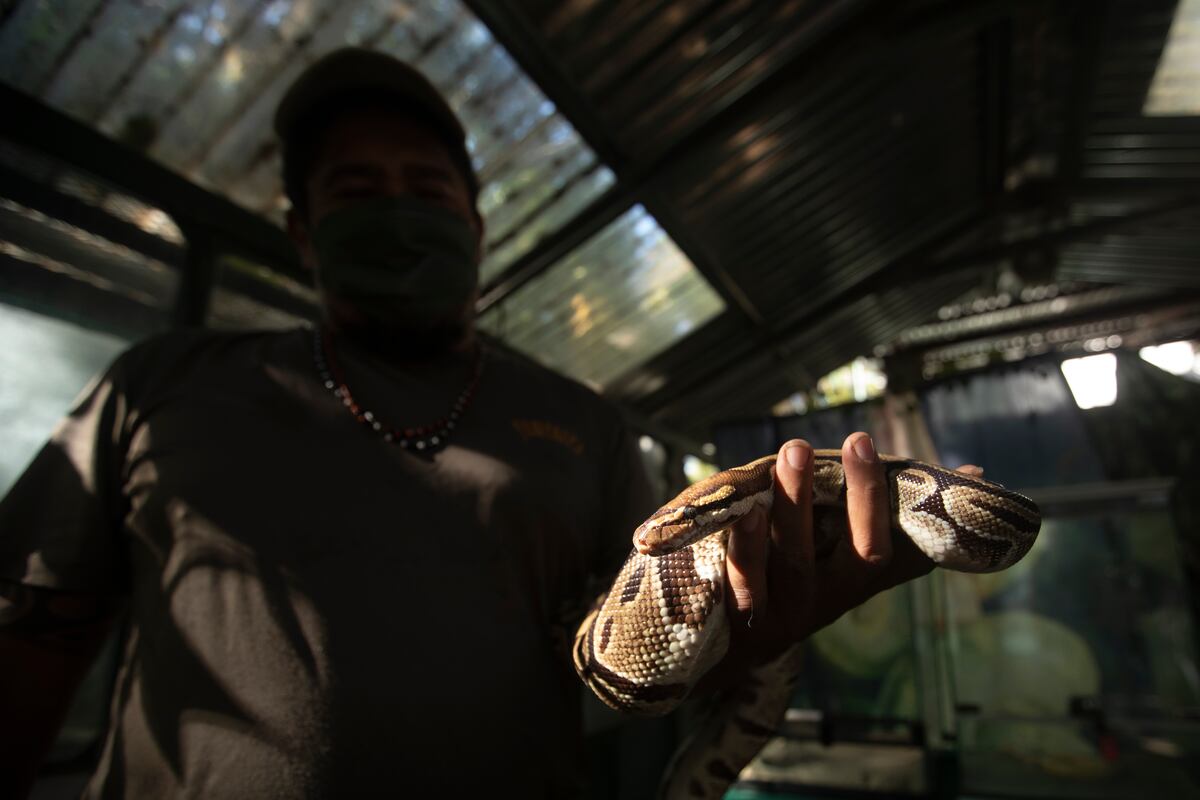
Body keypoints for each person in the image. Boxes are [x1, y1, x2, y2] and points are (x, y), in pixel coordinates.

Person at [0, 48, 939, 798]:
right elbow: (34, 638)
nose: (400, 212)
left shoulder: (586, 427)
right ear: (301, 231)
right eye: (357, 190)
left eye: (429, 188)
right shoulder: (162, 385)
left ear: (478, 229)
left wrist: (752, 633)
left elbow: (636, 664)